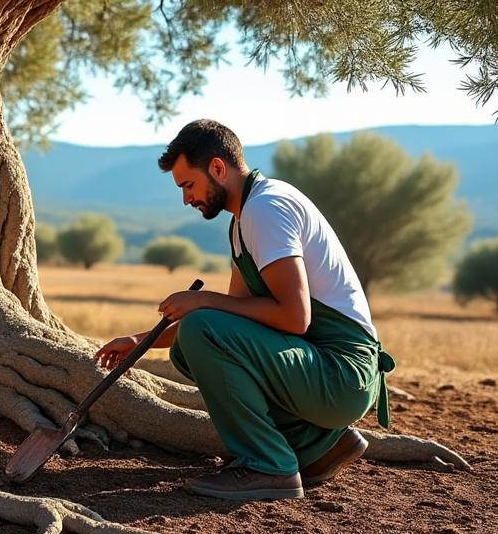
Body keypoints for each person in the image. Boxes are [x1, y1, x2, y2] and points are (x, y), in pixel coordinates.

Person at [95, 119, 392, 500]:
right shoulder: (243, 220)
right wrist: (139, 342)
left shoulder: (266, 209)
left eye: (188, 185)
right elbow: (233, 319)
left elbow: (294, 317)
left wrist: (201, 300)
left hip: (342, 374)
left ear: (218, 168)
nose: (186, 199)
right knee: (191, 342)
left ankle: (267, 467)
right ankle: (317, 447)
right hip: (324, 371)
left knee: (200, 328)